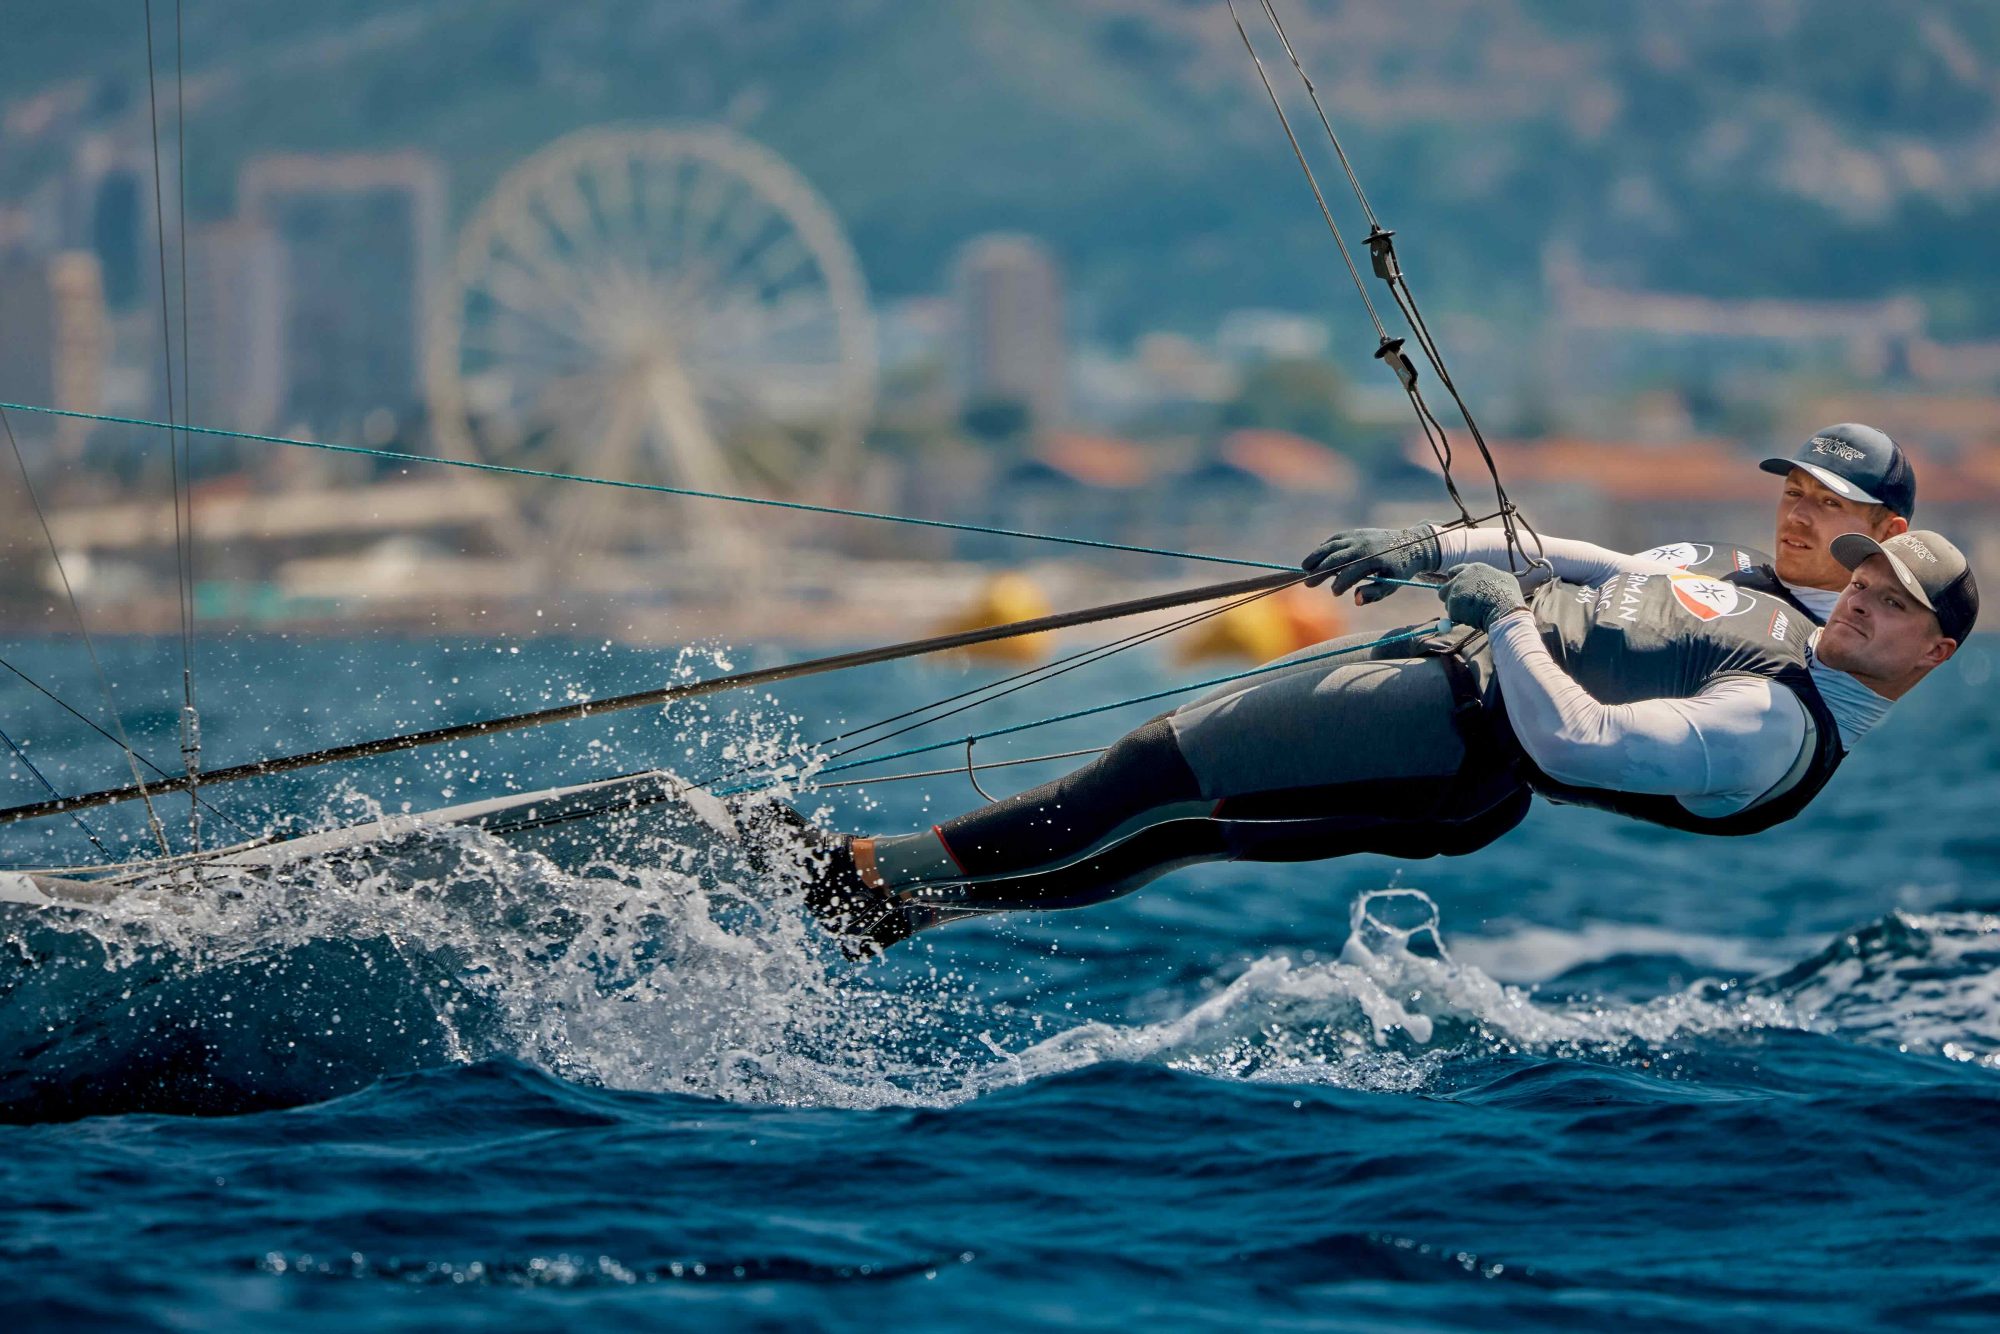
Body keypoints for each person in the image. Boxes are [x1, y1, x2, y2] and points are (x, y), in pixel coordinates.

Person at [790, 517, 1977, 957]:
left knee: (1149, 776)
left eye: (1896, 607)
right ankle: (898, 903)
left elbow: (1575, 743)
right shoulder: (1783, 614)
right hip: (1445, 739)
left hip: (1446, 734)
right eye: (1866, 578)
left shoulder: (1772, 720)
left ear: (1931, 654)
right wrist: (1440, 548)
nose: (1865, 598)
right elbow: (1596, 565)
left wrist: (1502, 619)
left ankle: (848, 871)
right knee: (1163, 831)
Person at [1628, 421, 1914, 624]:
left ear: (1889, 534)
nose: (1796, 516)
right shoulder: (1716, 560)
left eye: (1830, 502)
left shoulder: (1847, 664)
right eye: (1793, 493)